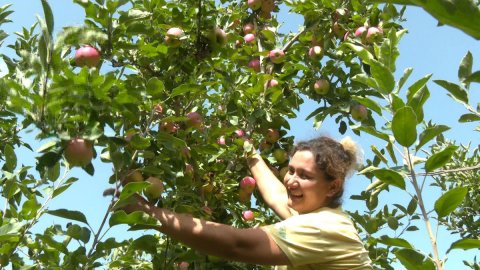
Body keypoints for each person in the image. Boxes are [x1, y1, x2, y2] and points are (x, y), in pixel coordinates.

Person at [120, 135, 372, 269]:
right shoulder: (314, 216)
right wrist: (250, 152)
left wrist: (149, 214)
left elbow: (236, 245)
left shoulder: (322, 229)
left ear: (333, 187)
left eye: (304, 176)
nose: (291, 181)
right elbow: (276, 196)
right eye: (291, 170)